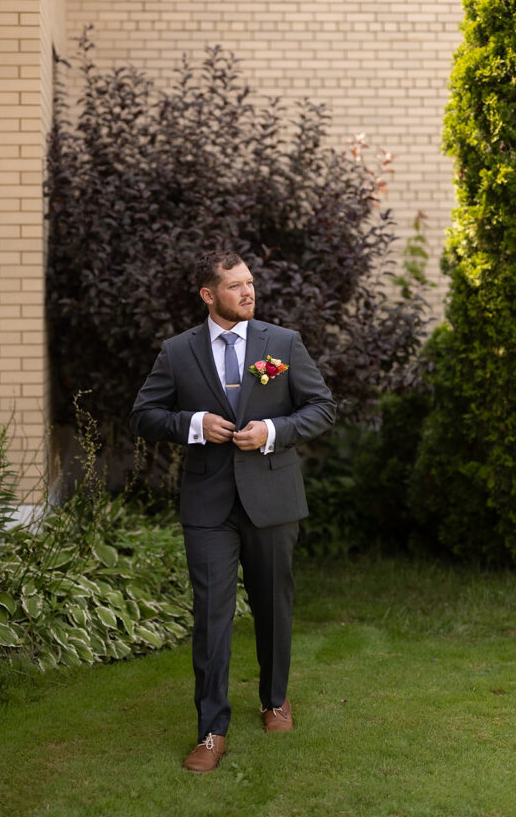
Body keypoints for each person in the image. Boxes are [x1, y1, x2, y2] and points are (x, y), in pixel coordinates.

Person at [130, 250, 336, 772]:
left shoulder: (282, 344)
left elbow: (322, 408)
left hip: (272, 498)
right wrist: (193, 424)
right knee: (212, 617)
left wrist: (273, 431)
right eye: (236, 286)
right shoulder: (178, 352)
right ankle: (210, 730)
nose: (249, 293)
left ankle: (274, 698)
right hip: (209, 505)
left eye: (251, 283)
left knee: (272, 605)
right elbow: (145, 415)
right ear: (208, 295)